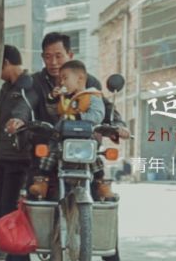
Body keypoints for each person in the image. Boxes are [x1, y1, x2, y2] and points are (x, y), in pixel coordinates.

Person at [0, 44, 42, 261]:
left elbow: (24, 110)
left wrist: (17, 120)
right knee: (3, 209)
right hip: (3, 157)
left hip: (20, 158)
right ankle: (11, 259)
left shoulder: (27, 86)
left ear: (7, 63)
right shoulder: (7, 88)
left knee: (13, 212)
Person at [28, 60, 115, 201]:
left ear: (80, 78)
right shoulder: (65, 99)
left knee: (96, 158)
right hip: (63, 138)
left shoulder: (93, 96)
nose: (61, 82)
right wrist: (51, 98)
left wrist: (80, 116)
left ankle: (101, 185)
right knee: (50, 153)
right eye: (60, 79)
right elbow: (54, 113)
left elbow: (98, 115)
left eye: (65, 78)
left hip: (85, 138)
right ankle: (41, 182)